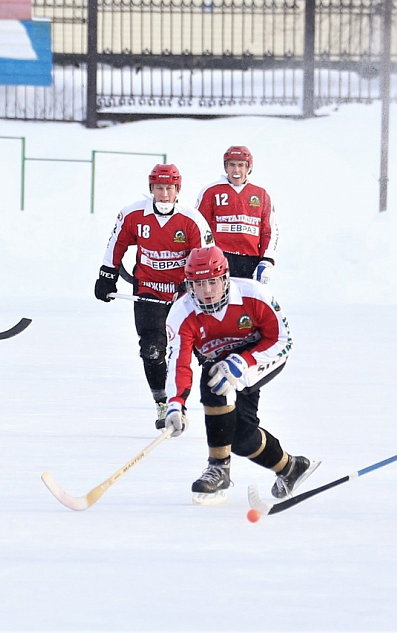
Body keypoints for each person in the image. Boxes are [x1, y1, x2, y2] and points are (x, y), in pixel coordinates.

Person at [162, 245, 317, 505]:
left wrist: (243, 362)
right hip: (221, 361)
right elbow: (179, 362)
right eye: (199, 284)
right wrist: (175, 405)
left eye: (213, 282)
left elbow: (282, 339)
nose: (207, 291)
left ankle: (219, 469)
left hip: (263, 354)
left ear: (225, 278)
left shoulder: (254, 294)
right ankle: (290, 468)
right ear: (189, 285)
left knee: (215, 379)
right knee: (240, 437)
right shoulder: (181, 313)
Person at [94, 164, 214, 430]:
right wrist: (107, 274)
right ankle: (162, 403)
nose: (164, 193)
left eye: (169, 188)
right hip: (147, 288)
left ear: (177, 190)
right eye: (159, 188)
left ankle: (216, 403)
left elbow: (206, 257)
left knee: (202, 349)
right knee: (151, 349)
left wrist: (198, 290)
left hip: (184, 293)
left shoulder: (192, 219)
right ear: (151, 189)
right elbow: (117, 243)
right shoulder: (133, 214)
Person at [195, 146, 278, 282]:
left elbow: (269, 230)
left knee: (247, 301)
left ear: (248, 168)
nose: (236, 170)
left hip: (251, 261)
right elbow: (198, 228)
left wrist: (267, 260)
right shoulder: (211, 191)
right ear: (225, 167)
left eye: (241, 165)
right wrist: (202, 257)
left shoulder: (261, 194)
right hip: (219, 259)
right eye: (232, 165)